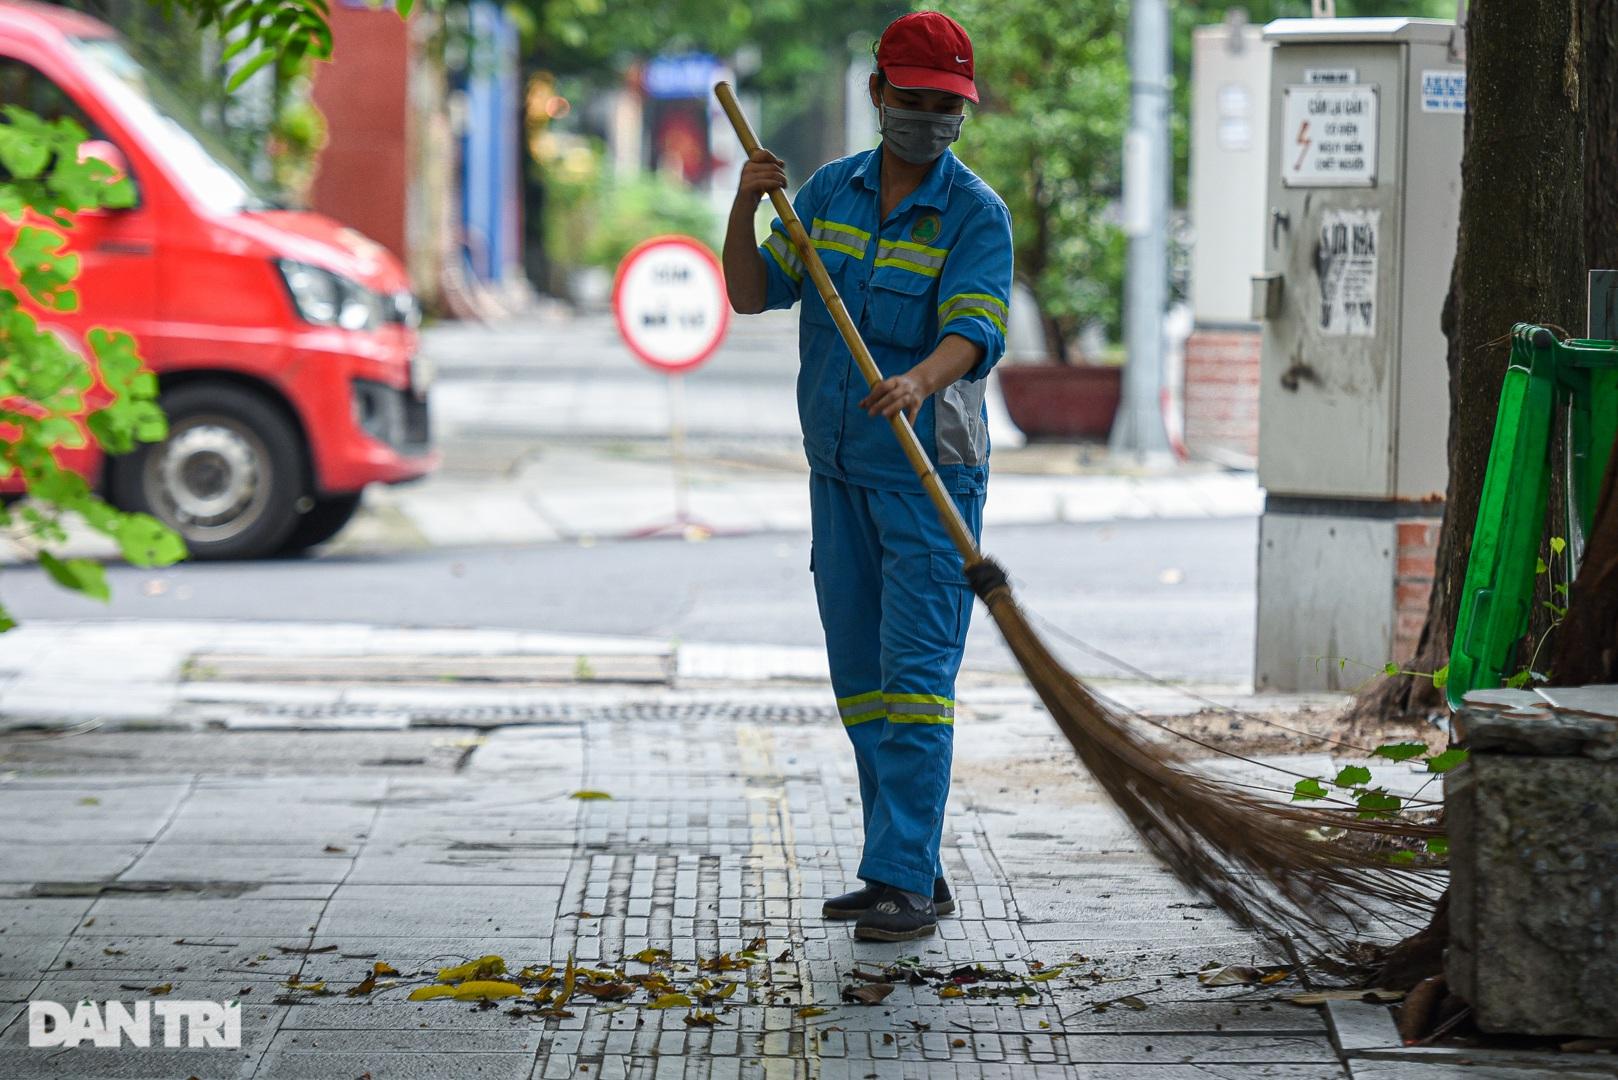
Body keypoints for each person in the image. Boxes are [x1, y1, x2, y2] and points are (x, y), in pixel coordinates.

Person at [721, 10, 1013, 942]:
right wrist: (744, 200)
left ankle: (898, 880)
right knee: (864, 686)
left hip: (930, 477)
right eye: (915, 101)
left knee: (916, 683)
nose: (930, 120)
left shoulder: (976, 213)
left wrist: (919, 380)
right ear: (879, 94)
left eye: (947, 108)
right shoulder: (829, 195)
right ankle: (912, 868)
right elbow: (750, 292)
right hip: (839, 471)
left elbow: (976, 329)